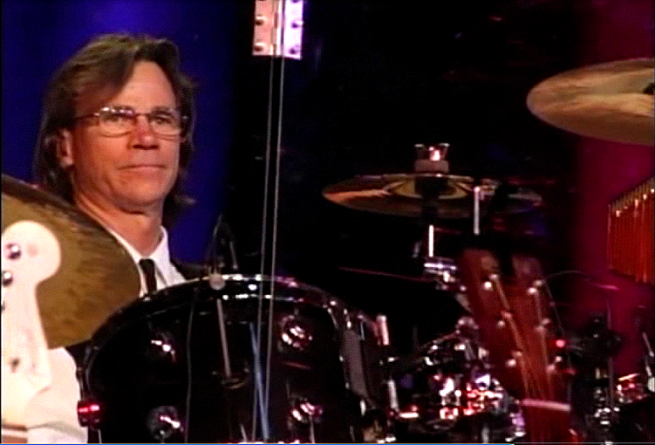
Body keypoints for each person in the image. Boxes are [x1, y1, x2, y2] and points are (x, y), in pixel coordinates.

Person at [27, 32, 200, 443]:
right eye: (117, 117)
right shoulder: (20, 295)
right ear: (65, 147)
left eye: (162, 118)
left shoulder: (209, 307)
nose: (146, 138)